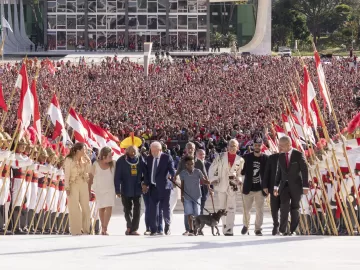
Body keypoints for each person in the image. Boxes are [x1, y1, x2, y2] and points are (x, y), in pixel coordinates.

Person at [274, 136, 309, 236]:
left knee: (295, 208)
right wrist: (275, 186)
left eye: (281, 146)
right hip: (284, 186)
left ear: (289, 144)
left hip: (296, 186)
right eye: (279, 145)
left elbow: (304, 170)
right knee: (283, 206)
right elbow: (279, 172)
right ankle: (282, 229)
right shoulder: (280, 156)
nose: (280, 148)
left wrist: (305, 186)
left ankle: (293, 229)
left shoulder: (298, 155)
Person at [208, 139, 244, 236]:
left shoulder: (240, 160)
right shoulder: (220, 156)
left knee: (231, 208)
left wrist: (239, 179)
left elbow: (241, 173)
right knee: (222, 208)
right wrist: (213, 179)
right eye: (231, 146)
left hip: (233, 186)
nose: (232, 148)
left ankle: (229, 228)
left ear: (238, 147)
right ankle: (224, 225)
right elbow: (212, 168)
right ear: (227, 147)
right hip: (221, 184)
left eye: (234, 146)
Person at [142, 141, 175, 236]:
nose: (153, 153)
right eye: (152, 151)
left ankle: (167, 226)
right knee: (152, 208)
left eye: (155, 151)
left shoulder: (167, 157)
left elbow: (172, 169)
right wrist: (145, 184)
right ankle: (154, 229)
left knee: (165, 208)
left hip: (164, 187)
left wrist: (172, 175)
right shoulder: (149, 159)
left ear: (160, 150)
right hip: (153, 187)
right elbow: (147, 173)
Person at [176, 142, 207, 235]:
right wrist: (173, 176)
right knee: (187, 211)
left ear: (194, 150)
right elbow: (178, 172)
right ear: (185, 149)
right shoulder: (182, 161)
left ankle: (197, 229)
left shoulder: (199, 162)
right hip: (186, 191)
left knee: (197, 211)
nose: (190, 150)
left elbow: (205, 175)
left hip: (197, 190)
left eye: (192, 148)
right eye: (188, 148)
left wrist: (210, 188)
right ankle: (188, 229)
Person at [114, 145, 146, 236]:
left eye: (134, 152)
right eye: (131, 151)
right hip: (125, 189)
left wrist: (145, 183)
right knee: (127, 210)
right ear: (127, 151)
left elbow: (145, 172)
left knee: (137, 209)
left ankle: (134, 229)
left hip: (137, 189)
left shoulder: (140, 159)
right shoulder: (121, 160)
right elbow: (117, 177)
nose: (132, 153)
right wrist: (117, 190)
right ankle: (129, 226)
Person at [240, 137, 268, 236]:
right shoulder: (246, 157)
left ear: (262, 146)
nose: (257, 147)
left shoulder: (265, 158)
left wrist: (267, 186)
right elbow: (241, 171)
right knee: (246, 209)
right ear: (253, 145)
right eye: (255, 145)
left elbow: (268, 174)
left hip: (260, 189)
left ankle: (258, 229)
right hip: (248, 188)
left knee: (259, 210)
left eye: (259, 145)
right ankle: (246, 225)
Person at [64, 143, 92, 236]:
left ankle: (86, 229)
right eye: (84, 150)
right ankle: (76, 230)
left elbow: (89, 171)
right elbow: (67, 174)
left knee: (85, 207)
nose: (85, 152)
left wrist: (89, 162)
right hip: (73, 184)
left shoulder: (84, 160)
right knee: (74, 207)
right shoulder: (69, 160)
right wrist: (67, 187)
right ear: (78, 151)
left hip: (83, 183)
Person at [89, 146, 116, 236]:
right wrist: (89, 190)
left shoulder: (113, 164)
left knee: (109, 207)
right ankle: (103, 226)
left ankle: (105, 227)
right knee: (102, 208)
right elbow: (91, 177)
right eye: (109, 156)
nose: (111, 158)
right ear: (104, 157)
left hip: (110, 189)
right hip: (99, 189)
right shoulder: (95, 164)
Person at [262, 148, 281, 235]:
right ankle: (276, 225)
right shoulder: (272, 158)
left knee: (285, 208)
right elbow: (267, 172)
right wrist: (265, 185)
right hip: (274, 188)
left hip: (286, 188)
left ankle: (285, 225)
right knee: (274, 208)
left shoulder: (291, 158)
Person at [196, 149, 212, 215]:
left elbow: (211, 177)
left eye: (203, 154)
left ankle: (200, 219)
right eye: (200, 154)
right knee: (197, 205)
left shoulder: (208, 165)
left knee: (201, 205)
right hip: (195, 187)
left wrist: (211, 188)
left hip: (204, 188)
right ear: (196, 155)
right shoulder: (192, 163)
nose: (202, 156)